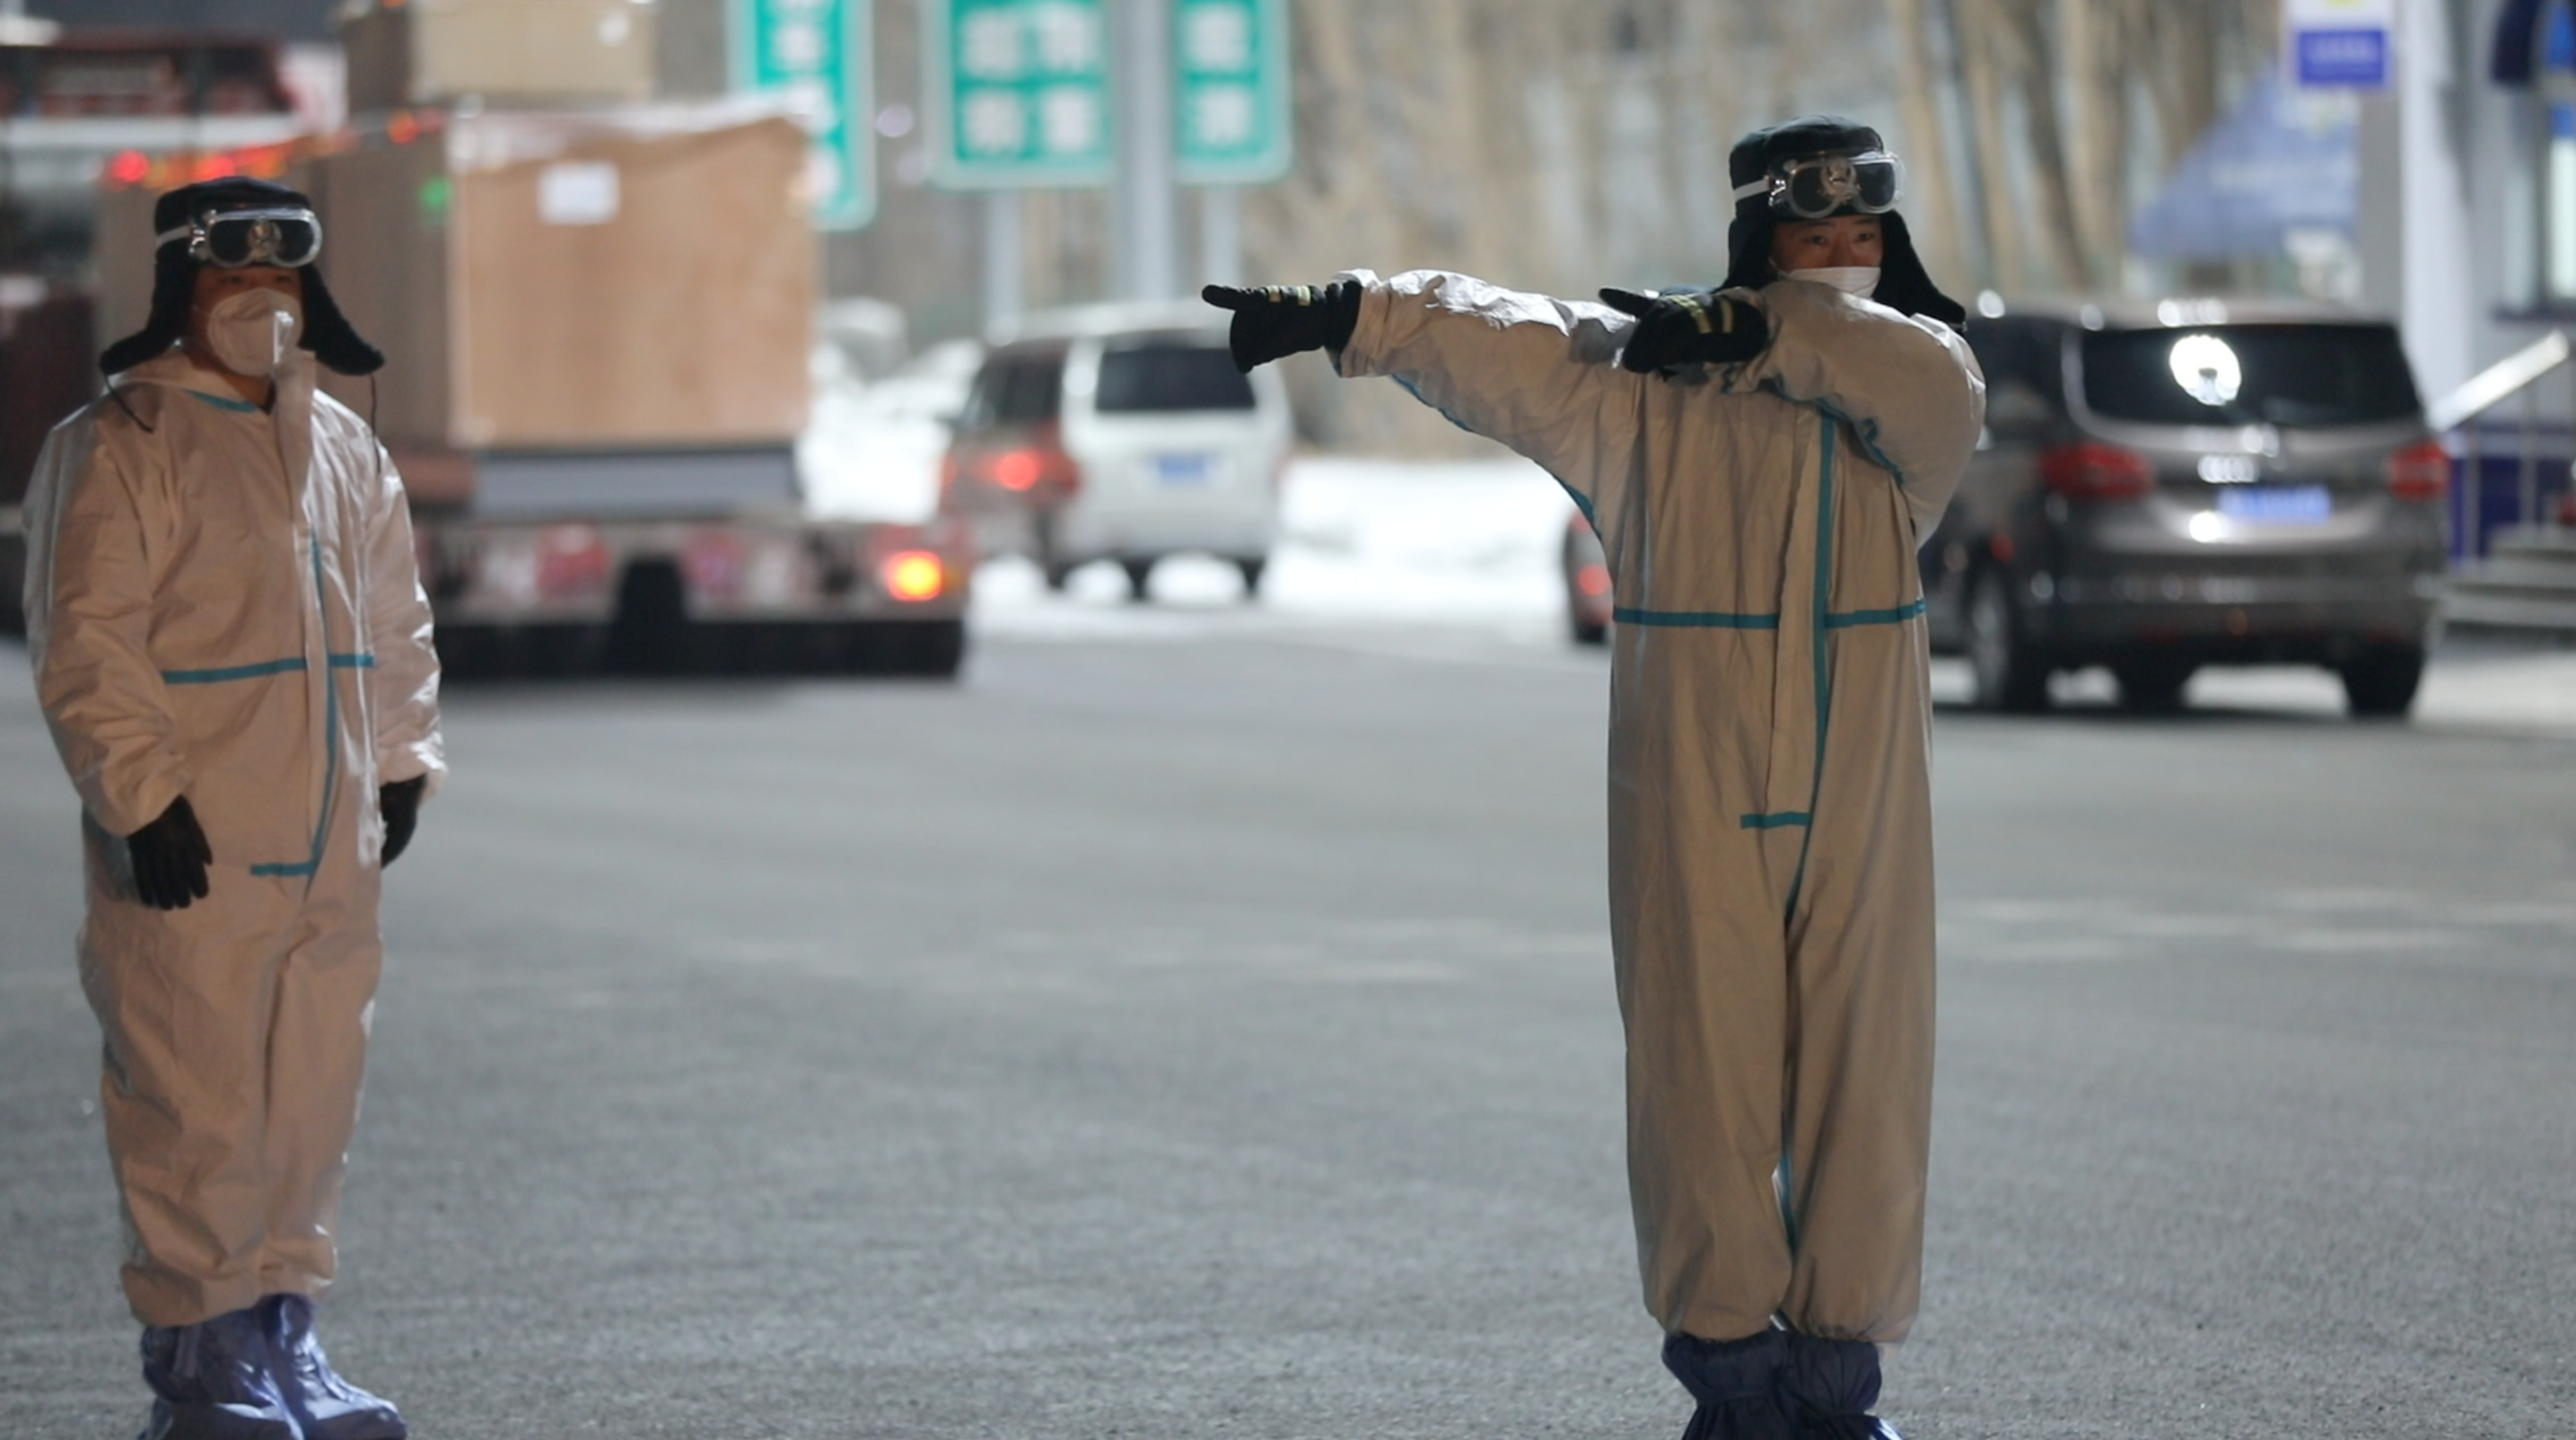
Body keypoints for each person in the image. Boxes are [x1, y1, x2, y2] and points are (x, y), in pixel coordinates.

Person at [1205, 117, 1983, 1440]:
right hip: (1691, 759)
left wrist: (1767, 333)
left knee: (1867, 1059)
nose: (1838, 263)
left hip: (1860, 774)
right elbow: (1519, 346)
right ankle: (1732, 1381)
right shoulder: (1643, 395)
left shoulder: (1909, 392)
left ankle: (1838, 1385)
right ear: (1758, 240)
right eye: (1810, 240)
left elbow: (1921, 380)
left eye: (1862, 239)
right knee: (1700, 1062)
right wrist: (1359, 312)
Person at [22, 176, 443, 1440]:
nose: (258, 307)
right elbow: (89, 639)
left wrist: (404, 757)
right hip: (195, 842)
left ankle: (285, 1338)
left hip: (329, 849)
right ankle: (200, 1360)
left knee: (309, 1092)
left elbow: (391, 618)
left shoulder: (342, 445)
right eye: (230, 283)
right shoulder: (121, 445)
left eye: (279, 285)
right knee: (193, 1093)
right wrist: (139, 795)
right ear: (178, 293)